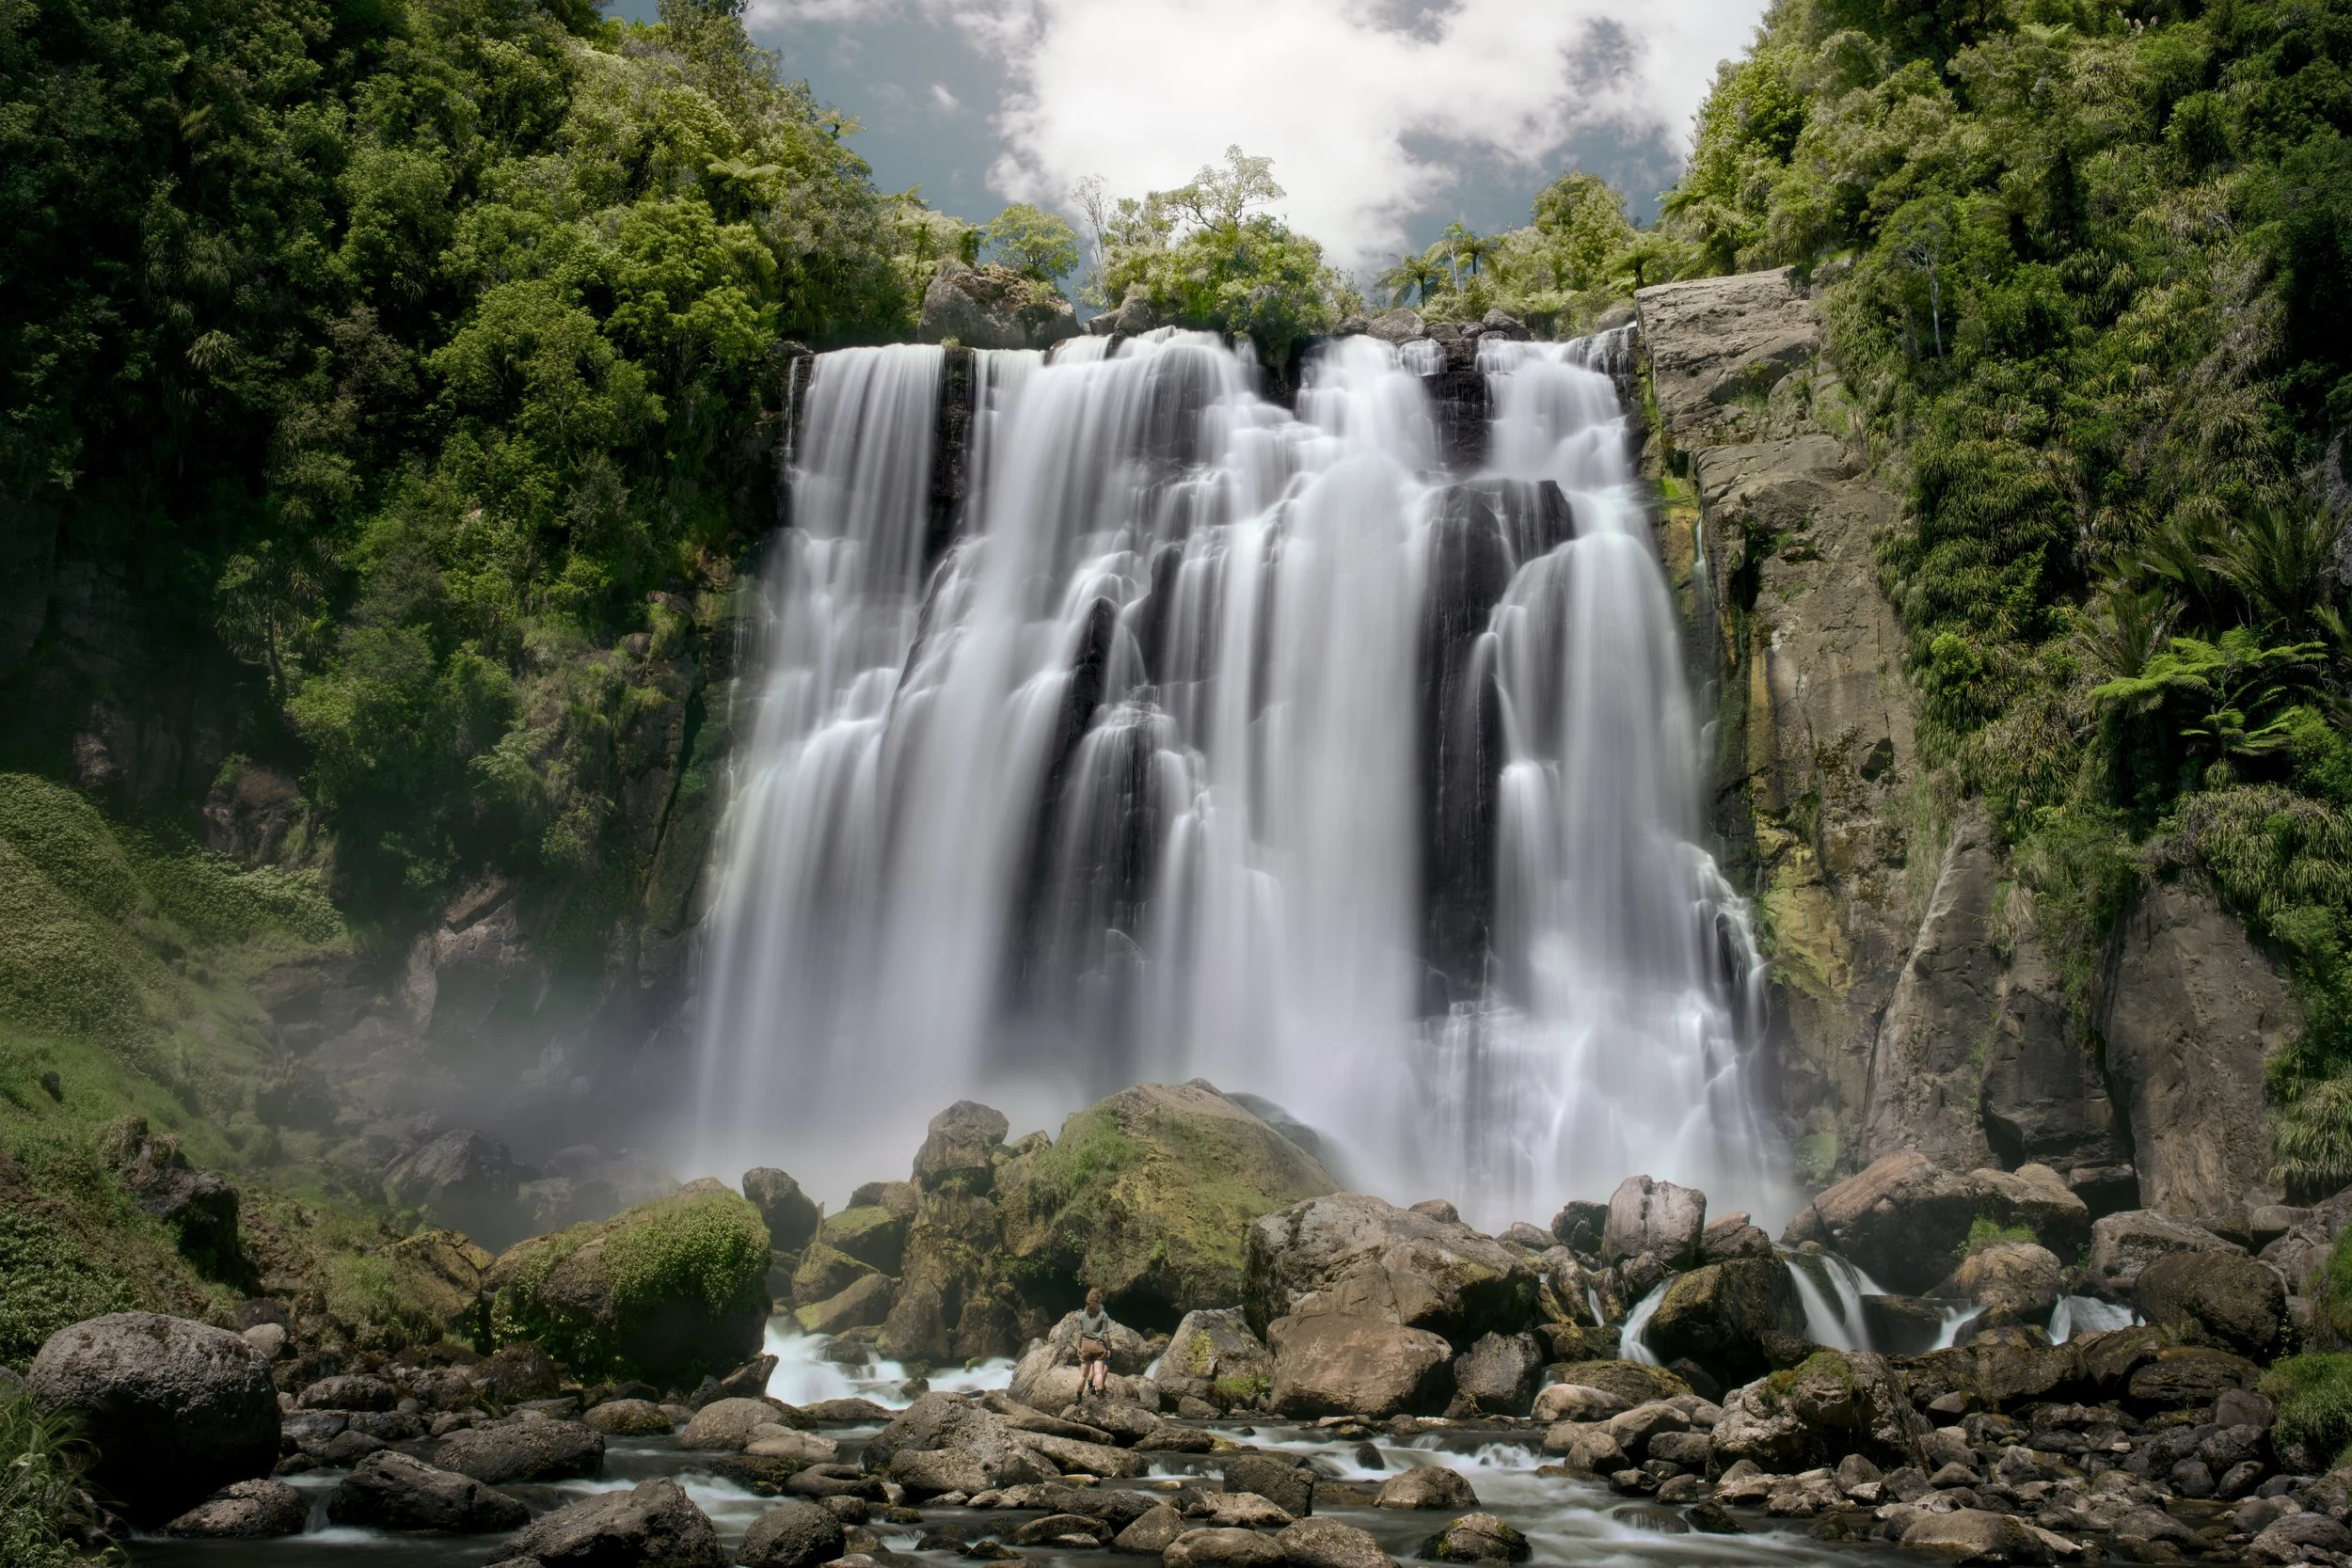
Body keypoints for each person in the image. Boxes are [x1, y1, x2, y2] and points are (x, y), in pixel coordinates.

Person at [1076, 1288, 1114, 1400]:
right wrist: (1109, 1348)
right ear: (1099, 1300)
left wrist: (1079, 1347)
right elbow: (1106, 1335)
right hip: (1098, 1345)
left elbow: (1079, 1333)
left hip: (1085, 1345)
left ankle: (1078, 1398)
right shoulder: (1103, 1315)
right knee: (1098, 1372)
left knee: (1083, 1374)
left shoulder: (1082, 1315)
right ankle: (1101, 1397)